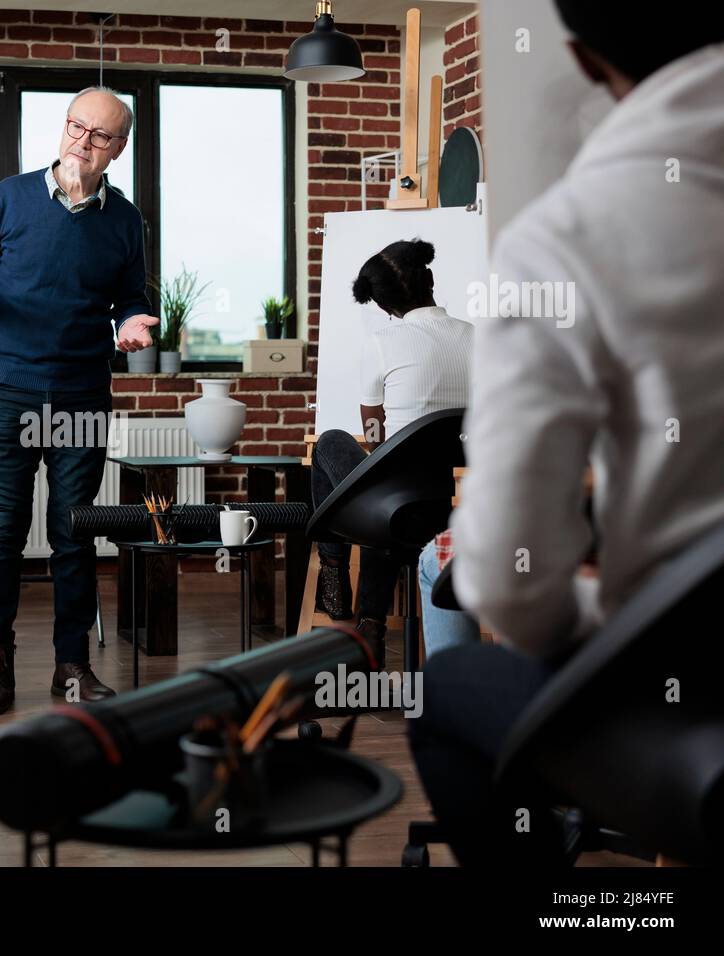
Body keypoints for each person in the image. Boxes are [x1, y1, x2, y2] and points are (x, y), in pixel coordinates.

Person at [408, 3, 724, 864]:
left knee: (450, 687)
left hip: (693, 710)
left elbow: (515, 594)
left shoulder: (568, 237)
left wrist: (610, 607)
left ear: (585, 61)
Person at [0, 87, 160, 715]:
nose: (81, 141)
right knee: (3, 533)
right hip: (9, 389)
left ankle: (72, 668)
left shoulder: (124, 219)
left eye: (98, 135)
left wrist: (139, 322)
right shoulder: (10, 197)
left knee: (73, 532)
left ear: (118, 149)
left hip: (80, 392)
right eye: (74, 127)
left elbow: (132, 298)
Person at [310, 239, 473, 653]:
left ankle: (338, 576)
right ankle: (368, 622)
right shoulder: (478, 339)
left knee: (334, 446)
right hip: (459, 510)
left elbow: (374, 429)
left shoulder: (383, 342)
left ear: (384, 308)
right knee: (387, 489)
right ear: (431, 280)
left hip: (398, 512)